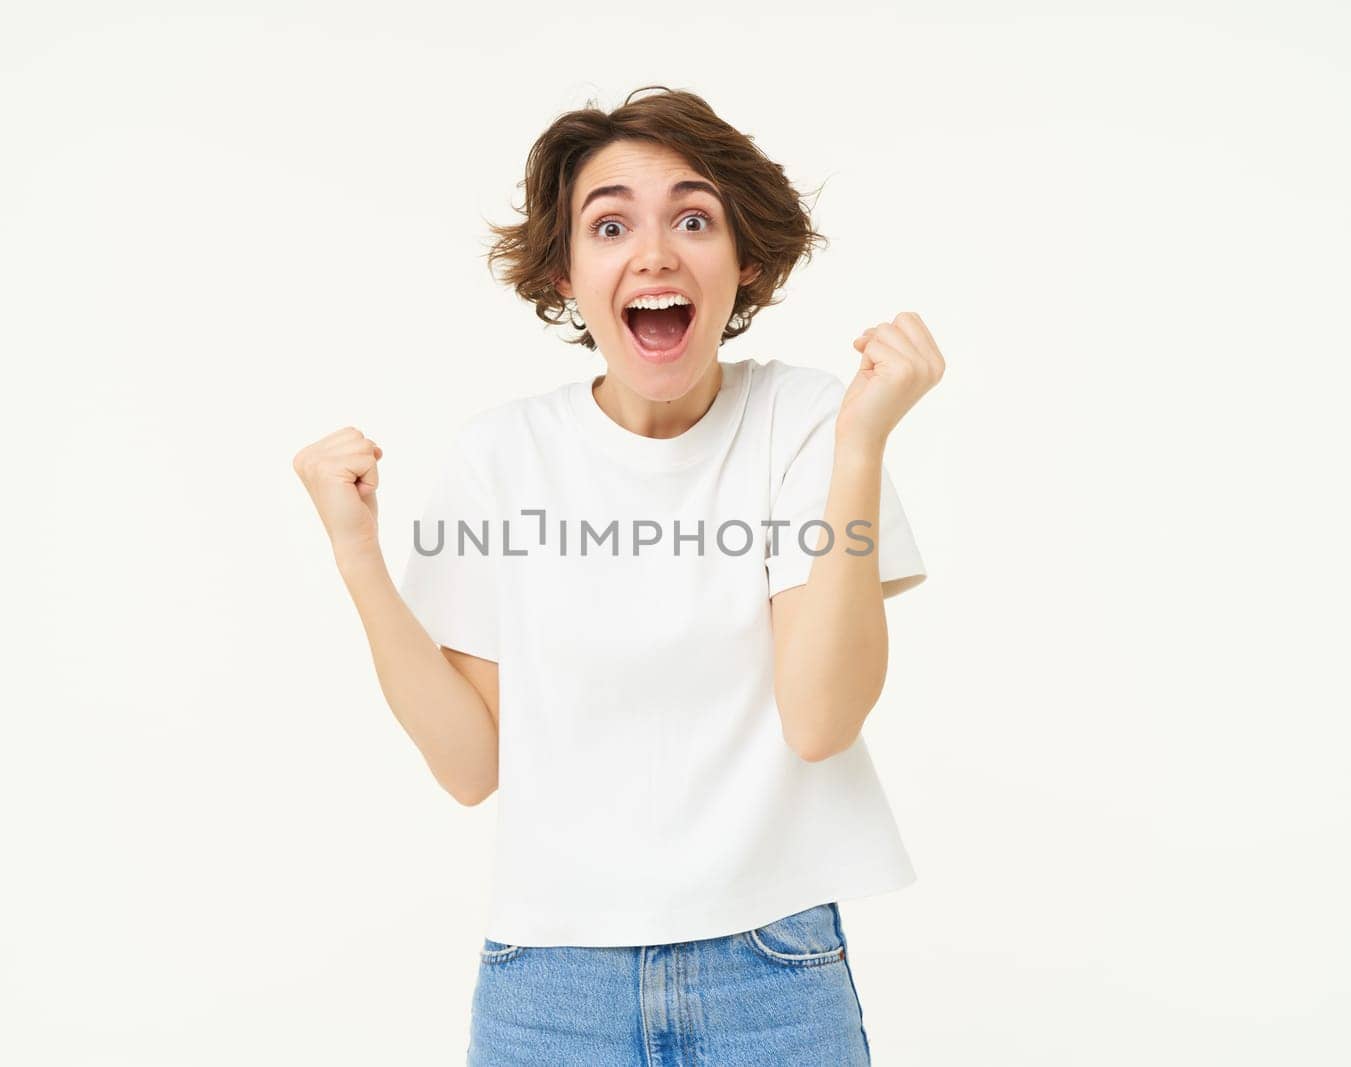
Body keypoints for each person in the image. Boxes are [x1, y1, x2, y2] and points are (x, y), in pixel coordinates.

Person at [293, 86, 945, 1066]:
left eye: (693, 218)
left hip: (770, 970)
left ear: (746, 260)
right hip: (548, 983)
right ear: (565, 270)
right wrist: (357, 557)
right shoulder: (501, 456)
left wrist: (859, 446)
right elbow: (472, 766)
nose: (653, 253)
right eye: (610, 224)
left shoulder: (810, 423)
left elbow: (821, 717)